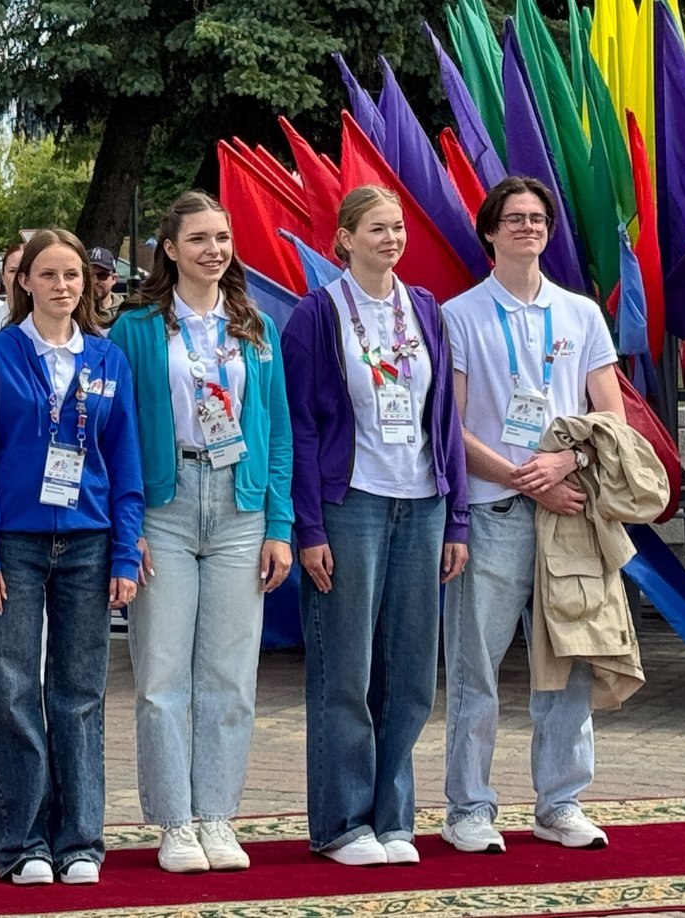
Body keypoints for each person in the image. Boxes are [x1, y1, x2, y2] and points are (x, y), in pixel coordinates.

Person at [105, 190, 293, 874]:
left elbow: (278, 435)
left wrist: (280, 523)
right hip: (167, 503)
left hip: (240, 507)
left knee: (230, 675)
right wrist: (130, 529)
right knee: (161, 676)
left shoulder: (255, 327)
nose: (213, 250)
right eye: (198, 240)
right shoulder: (138, 328)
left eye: (222, 237)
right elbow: (117, 437)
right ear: (169, 250)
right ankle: (175, 821)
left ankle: (217, 814)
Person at [282, 186, 469, 867]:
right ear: (344, 238)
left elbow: (444, 418)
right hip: (349, 504)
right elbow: (300, 427)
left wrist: (458, 518)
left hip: (421, 504)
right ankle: (340, 823)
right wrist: (309, 527)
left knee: (412, 672)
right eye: (376, 228)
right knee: (345, 670)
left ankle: (393, 817)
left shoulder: (424, 310)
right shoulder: (315, 315)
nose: (390, 238)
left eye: (397, 227)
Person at [440, 175, 623, 855]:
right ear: (490, 232)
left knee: (567, 663)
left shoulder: (578, 313)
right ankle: (468, 807)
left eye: (538, 218)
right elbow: (451, 430)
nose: (527, 227)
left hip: (567, 514)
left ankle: (561, 802)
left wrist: (565, 466)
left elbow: (611, 415)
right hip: (493, 512)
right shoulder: (459, 315)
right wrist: (525, 476)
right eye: (513, 218)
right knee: (474, 667)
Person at [0, 228, 143, 886]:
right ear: (24, 282)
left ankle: (80, 841)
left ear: (87, 285)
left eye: (73, 275)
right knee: (12, 691)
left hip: (90, 544)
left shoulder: (107, 360)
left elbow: (126, 464)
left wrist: (126, 552)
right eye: (49, 274)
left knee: (80, 694)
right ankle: (23, 842)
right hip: (14, 544)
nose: (63, 286)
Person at [88, 246, 123, 321]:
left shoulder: (124, 312)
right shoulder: (74, 312)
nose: (94, 281)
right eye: (88, 276)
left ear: (114, 279)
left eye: (102, 275)